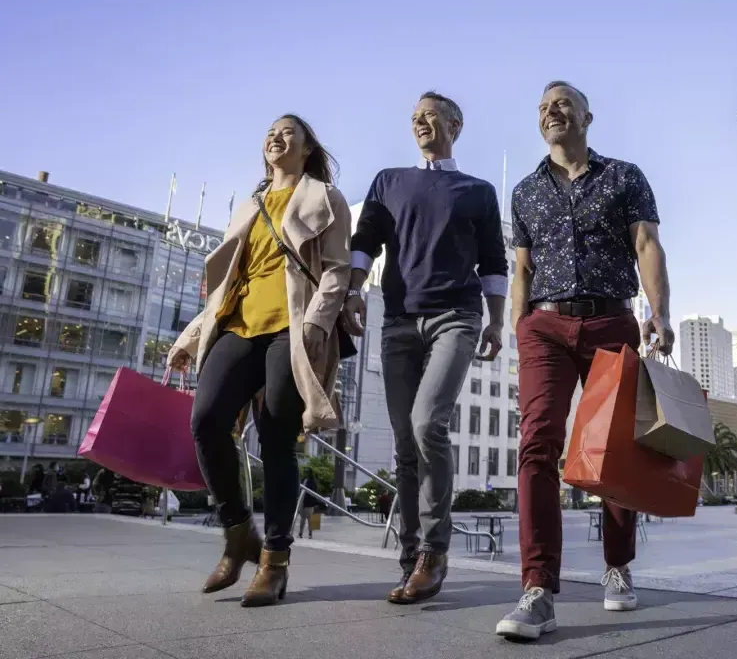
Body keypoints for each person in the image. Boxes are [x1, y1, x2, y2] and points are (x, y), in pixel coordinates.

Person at [496, 81, 674, 640]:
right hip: (544, 326)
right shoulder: (524, 191)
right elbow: (521, 268)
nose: (552, 110)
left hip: (610, 322)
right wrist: (517, 326)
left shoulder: (625, 176)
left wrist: (660, 314)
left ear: (587, 116)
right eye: (543, 106)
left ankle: (617, 569)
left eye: (562, 102)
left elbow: (646, 244)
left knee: (613, 449)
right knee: (538, 441)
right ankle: (537, 588)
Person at [167, 114, 351, 608]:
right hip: (237, 325)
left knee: (275, 437)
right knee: (205, 421)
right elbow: (225, 284)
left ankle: (274, 560)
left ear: (309, 146)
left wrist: (315, 324)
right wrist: (191, 336)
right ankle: (237, 533)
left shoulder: (324, 198)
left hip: (292, 329)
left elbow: (336, 271)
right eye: (271, 131)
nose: (276, 136)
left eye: (289, 131)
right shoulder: (250, 204)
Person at [343, 91, 507, 605]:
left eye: (429, 115)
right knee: (403, 445)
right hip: (396, 321)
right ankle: (410, 557)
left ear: (455, 124)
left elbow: (494, 262)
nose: (419, 123)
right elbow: (364, 241)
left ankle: (435, 553)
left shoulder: (477, 190)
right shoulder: (388, 182)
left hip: (456, 317)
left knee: (426, 424)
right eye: (413, 117)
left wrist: (497, 323)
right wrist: (351, 292)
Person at [298, 468, 321, 539]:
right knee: (303, 518)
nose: (305, 473)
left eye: (307, 472)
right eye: (305, 472)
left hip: (309, 502)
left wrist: (314, 502)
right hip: (302, 501)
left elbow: (314, 493)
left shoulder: (312, 482)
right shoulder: (303, 480)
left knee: (310, 519)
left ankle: (310, 533)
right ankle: (300, 532)